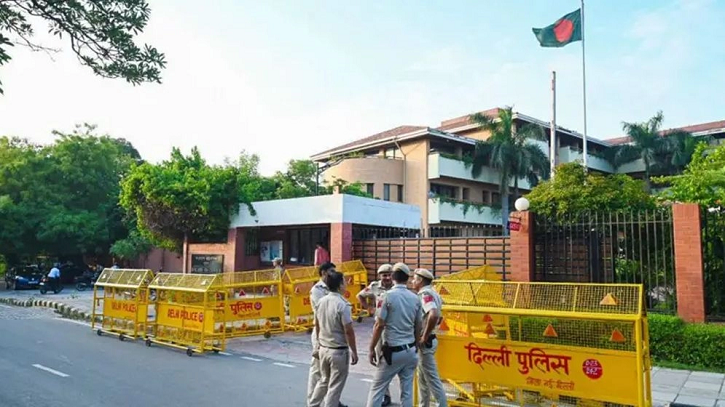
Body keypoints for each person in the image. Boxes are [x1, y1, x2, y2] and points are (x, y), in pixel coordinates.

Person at [365, 262, 423, 407]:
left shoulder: (386, 297)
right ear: (407, 278)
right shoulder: (415, 298)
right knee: (407, 392)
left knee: (377, 389)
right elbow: (418, 325)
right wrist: (416, 345)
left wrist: (371, 348)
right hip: (410, 350)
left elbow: (379, 325)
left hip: (392, 351)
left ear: (392, 277)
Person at [309, 270, 358, 407]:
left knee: (324, 380)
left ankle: (312, 404)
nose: (346, 284)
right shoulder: (343, 304)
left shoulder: (321, 301)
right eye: (344, 282)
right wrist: (354, 351)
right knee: (335, 386)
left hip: (324, 348)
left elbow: (317, 325)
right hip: (338, 350)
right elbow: (348, 331)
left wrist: (319, 343)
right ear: (340, 285)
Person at [307, 262, 346, 407]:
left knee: (331, 372)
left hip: (333, 332)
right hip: (321, 331)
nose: (333, 274)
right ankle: (312, 401)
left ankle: (332, 400)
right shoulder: (317, 290)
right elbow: (324, 311)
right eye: (331, 271)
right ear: (323, 273)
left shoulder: (332, 287)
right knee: (318, 370)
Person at [356, 264, 395, 407]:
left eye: (389, 274)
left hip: (395, 328)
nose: (387, 278)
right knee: (381, 361)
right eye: (384, 275)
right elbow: (359, 295)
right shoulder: (374, 286)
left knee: (398, 361)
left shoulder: (397, 288)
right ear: (380, 276)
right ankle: (386, 395)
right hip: (380, 329)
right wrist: (369, 308)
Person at [411, 268, 447, 407]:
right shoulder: (434, 293)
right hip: (429, 340)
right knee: (422, 378)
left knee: (432, 380)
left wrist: (424, 336)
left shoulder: (425, 294)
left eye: (414, 279)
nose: (412, 281)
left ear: (420, 280)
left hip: (426, 342)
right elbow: (439, 316)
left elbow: (434, 314)